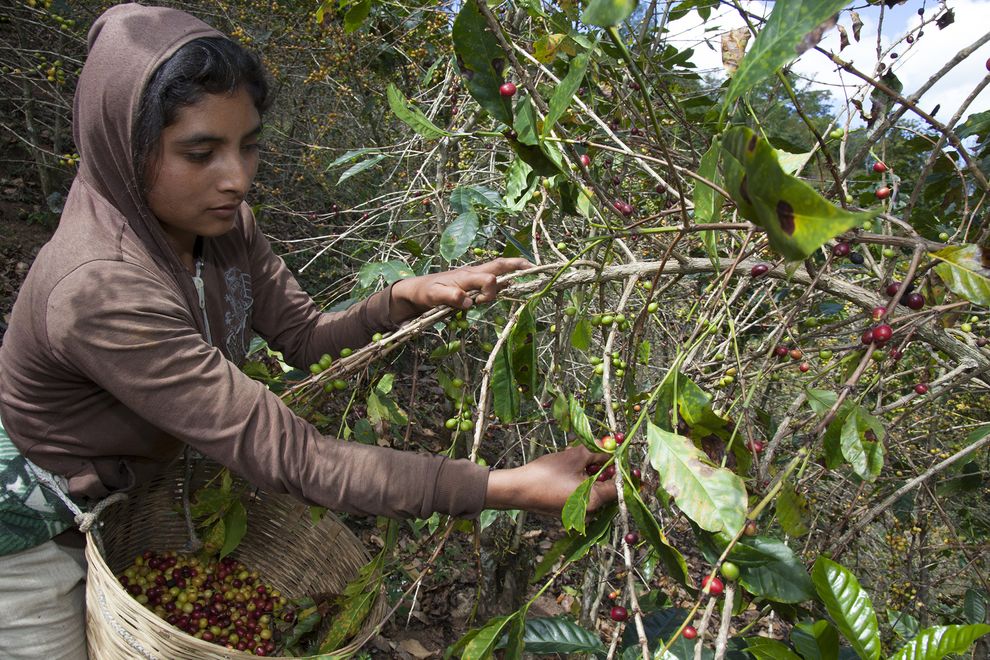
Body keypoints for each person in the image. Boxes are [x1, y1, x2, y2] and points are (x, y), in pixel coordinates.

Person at [0, 4, 615, 658]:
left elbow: (302, 336)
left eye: (249, 144)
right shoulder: (100, 289)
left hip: (124, 500)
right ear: (122, 144)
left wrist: (399, 299)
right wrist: (506, 486)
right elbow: (294, 457)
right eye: (200, 152)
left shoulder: (220, 225)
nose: (237, 179)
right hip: (33, 537)